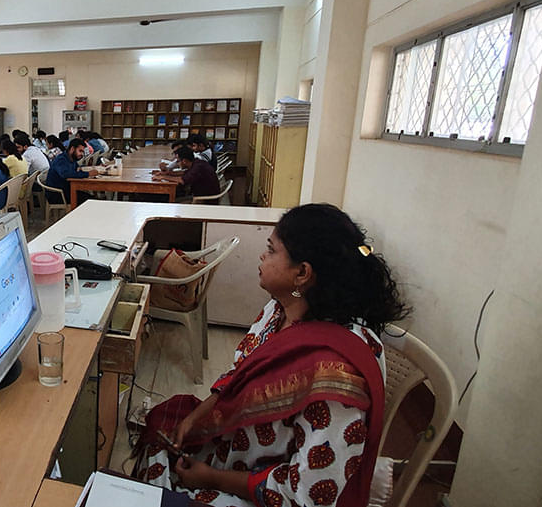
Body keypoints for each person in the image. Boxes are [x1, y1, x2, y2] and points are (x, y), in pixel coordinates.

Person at [134, 203, 405, 507]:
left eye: (271, 250)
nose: (263, 256)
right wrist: (195, 419)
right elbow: (240, 374)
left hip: (266, 490)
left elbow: (309, 496)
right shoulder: (279, 310)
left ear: (302, 273)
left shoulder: (337, 379)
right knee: (160, 435)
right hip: (236, 449)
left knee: (148, 494)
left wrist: (210, 477)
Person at [44, 137, 99, 205]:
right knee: (91, 202)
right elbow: (66, 174)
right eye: (80, 151)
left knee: (92, 199)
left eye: (83, 152)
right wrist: (88, 174)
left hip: (66, 190)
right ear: (72, 149)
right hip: (57, 194)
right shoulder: (61, 160)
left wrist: (85, 169)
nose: (82, 154)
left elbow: (77, 168)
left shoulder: (71, 159)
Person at [153, 146, 220, 201]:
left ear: (184, 161)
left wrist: (163, 177)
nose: (177, 163)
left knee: (166, 199)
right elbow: (184, 173)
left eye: (178, 161)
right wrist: (167, 173)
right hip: (202, 194)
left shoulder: (198, 167)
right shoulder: (197, 163)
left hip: (204, 200)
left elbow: (182, 180)